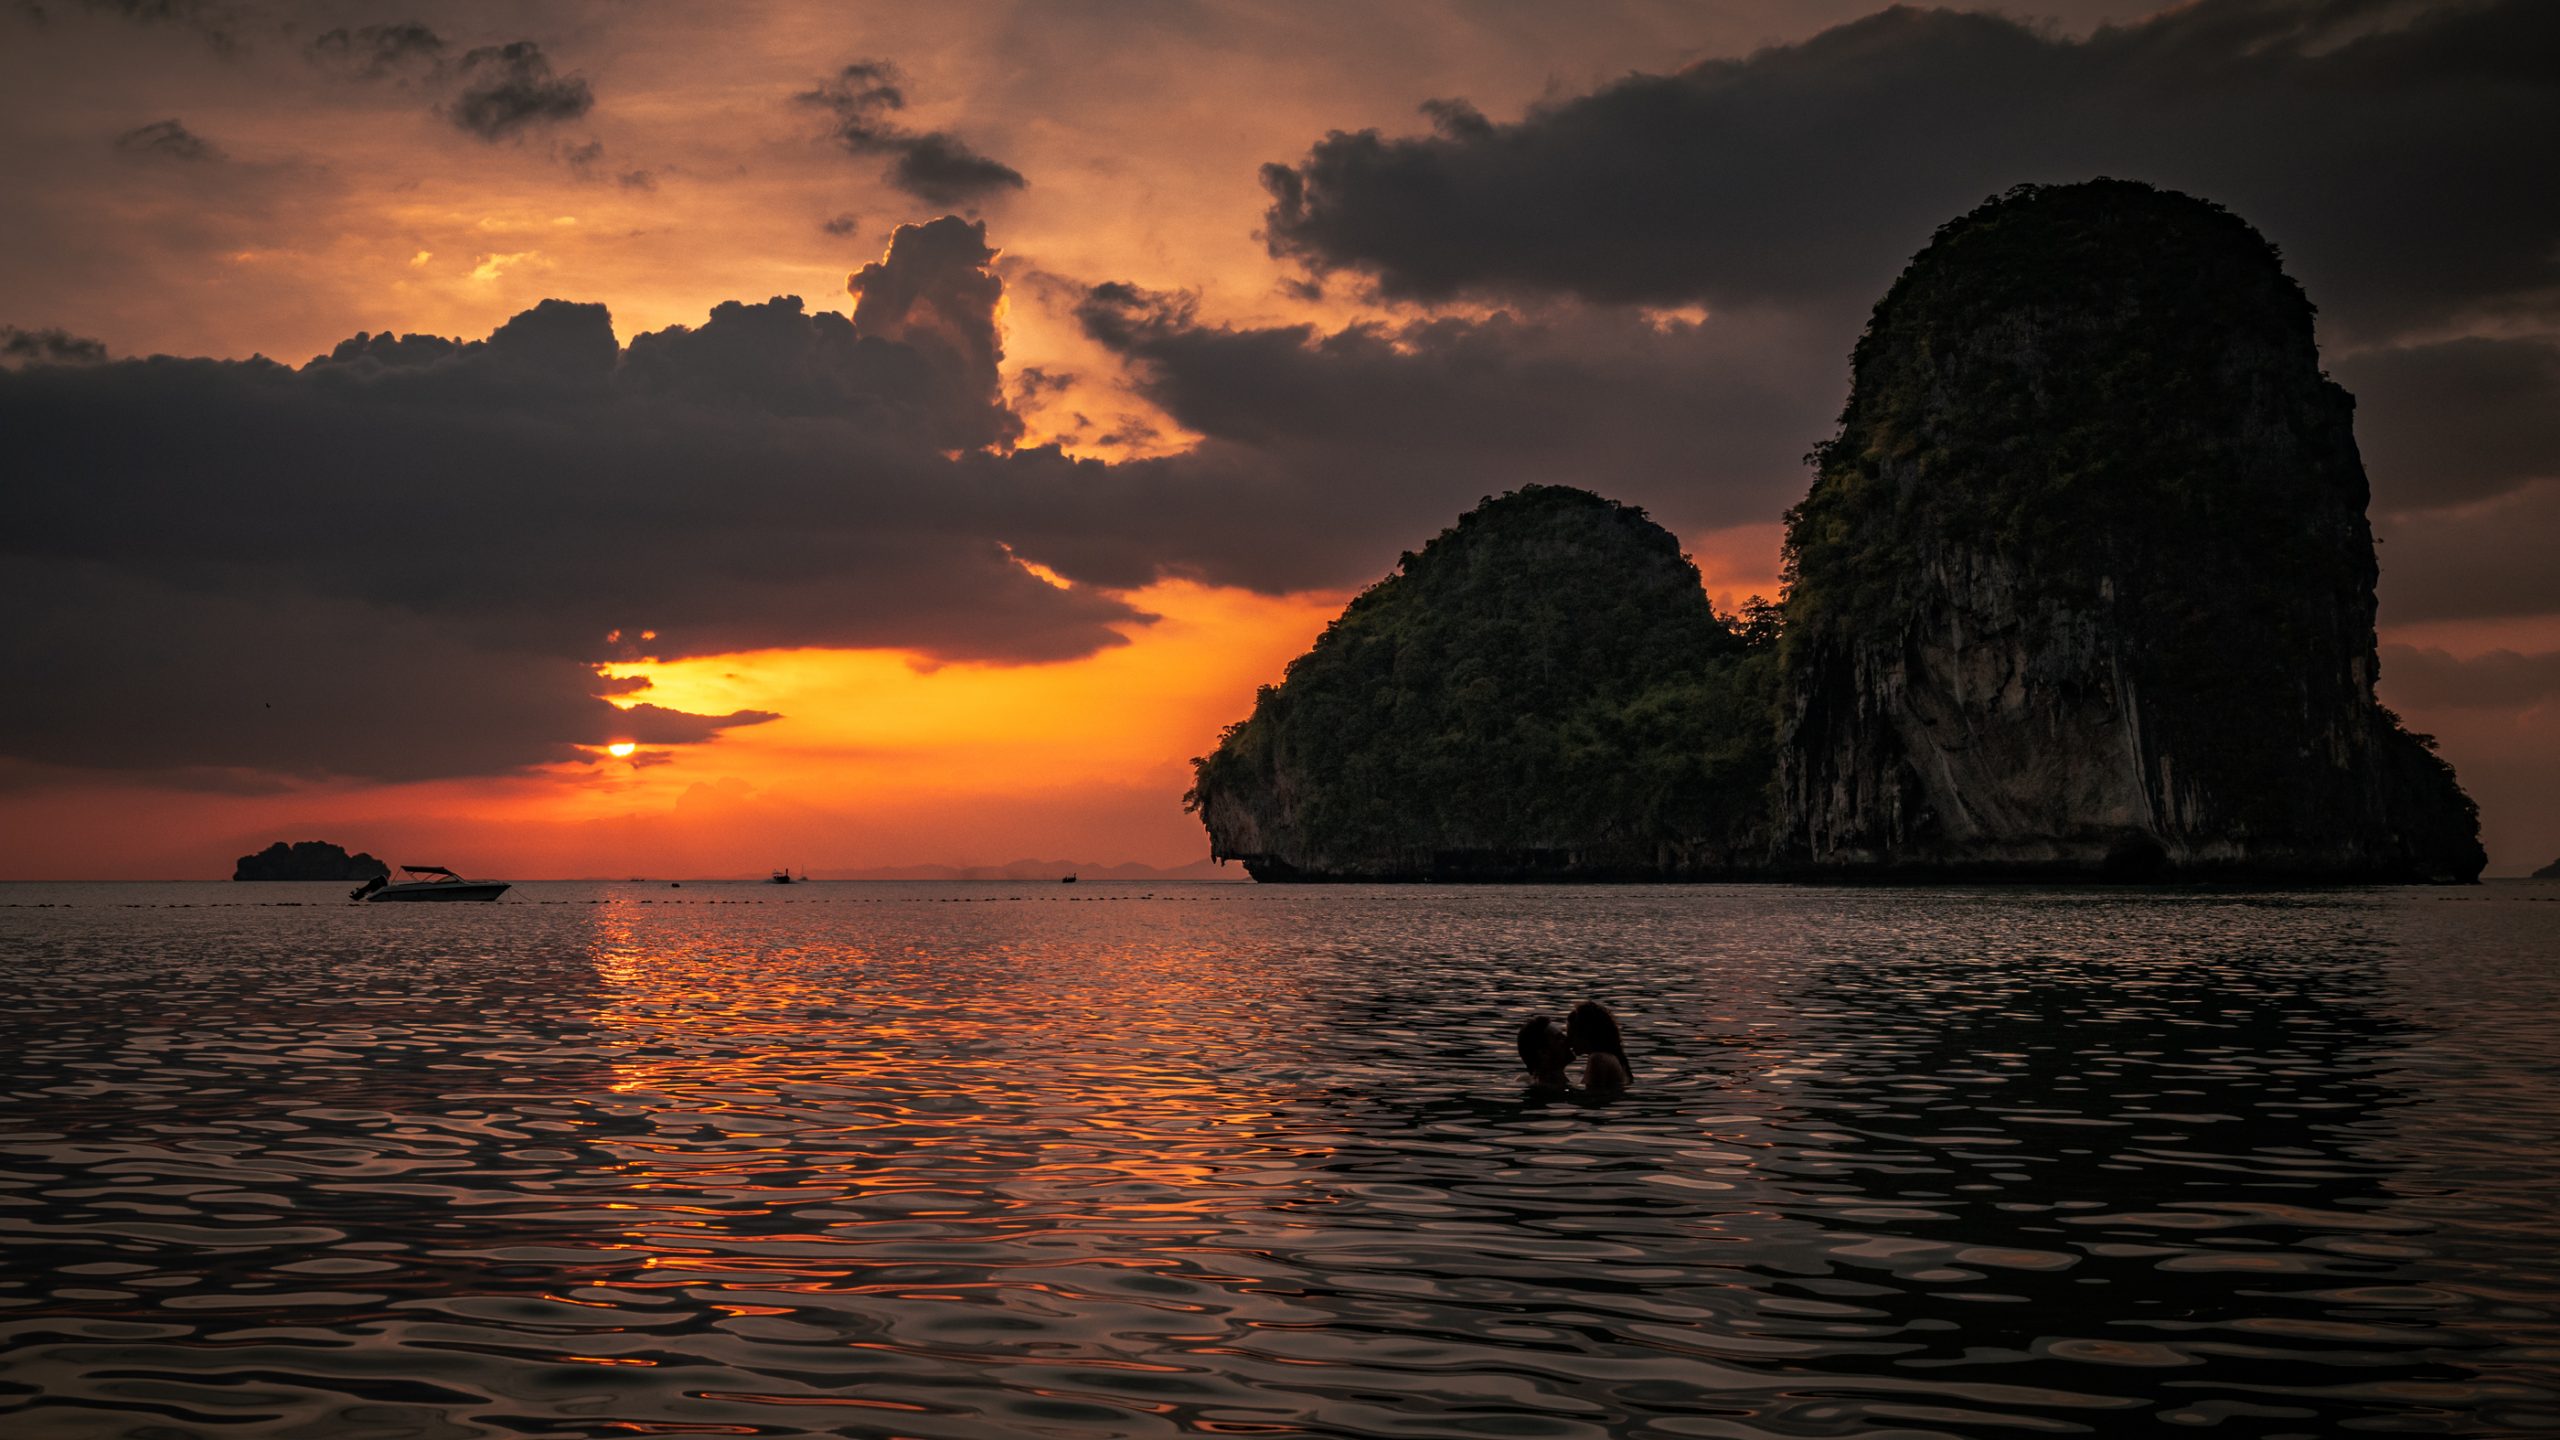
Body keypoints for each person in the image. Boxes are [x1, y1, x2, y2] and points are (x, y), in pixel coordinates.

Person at [1566, 1000, 1633, 1092]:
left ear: (1586, 1033)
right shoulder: (1612, 1057)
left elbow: (1591, 1100)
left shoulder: (1598, 1058)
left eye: (1571, 1035)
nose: (1568, 1042)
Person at [1516, 1014, 1574, 1091]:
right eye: (1559, 1038)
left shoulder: (1524, 1080)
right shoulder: (1553, 1090)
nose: (1567, 1040)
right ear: (1543, 1053)